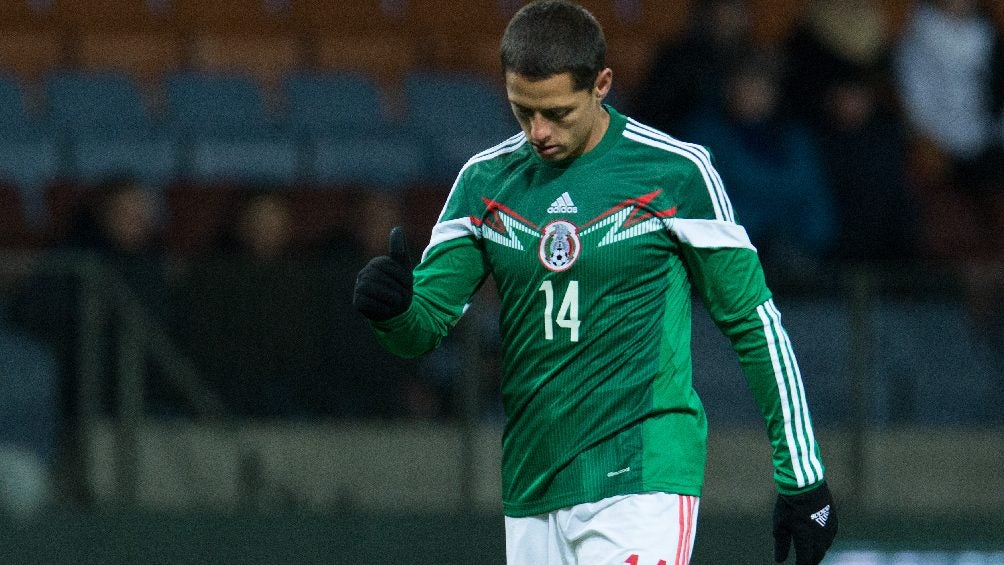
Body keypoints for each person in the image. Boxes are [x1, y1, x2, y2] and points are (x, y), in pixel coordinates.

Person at [353, 2, 837, 563]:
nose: (539, 132)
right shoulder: (482, 184)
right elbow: (424, 325)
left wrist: (801, 475)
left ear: (602, 83)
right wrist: (393, 308)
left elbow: (755, 325)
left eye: (557, 112)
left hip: (642, 476)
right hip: (534, 483)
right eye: (522, 111)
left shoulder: (676, 172)